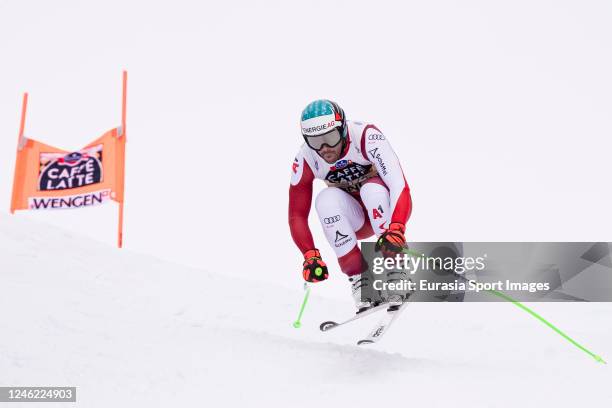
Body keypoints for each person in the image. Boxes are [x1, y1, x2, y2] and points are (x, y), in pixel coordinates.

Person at [288, 99, 412, 313]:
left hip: (384, 214)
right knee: (325, 199)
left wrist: (397, 228)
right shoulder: (306, 157)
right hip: (356, 219)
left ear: (343, 129)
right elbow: (296, 215)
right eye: (315, 141)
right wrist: (310, 255)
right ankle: (360, 280)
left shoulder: (366, 136)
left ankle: (397, 271)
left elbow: (399, 185)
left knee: (371, 190)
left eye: (331, 138)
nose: (325, 148)